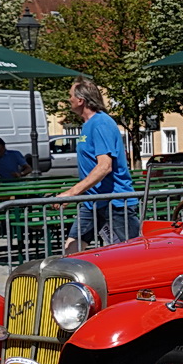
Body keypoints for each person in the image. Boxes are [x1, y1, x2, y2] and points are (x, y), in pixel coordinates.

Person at [59, 78, 138, 251]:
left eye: (70, 96)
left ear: (81, 100)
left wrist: (71, 193)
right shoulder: (88, 125)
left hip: (115, 203)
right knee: (71, 249)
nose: (68, 99)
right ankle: (70, 278)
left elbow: (105, 166)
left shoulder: (101, 123)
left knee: (132, 252)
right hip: (93, 201)